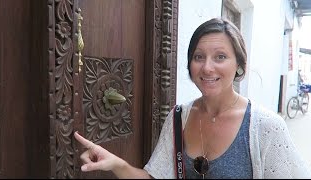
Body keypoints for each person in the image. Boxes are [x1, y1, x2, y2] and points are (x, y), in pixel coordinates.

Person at [74, 18, 311, 179]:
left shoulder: (265, 128)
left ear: (239, 64)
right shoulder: (179, 117)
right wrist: (116, 164)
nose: (207, 68)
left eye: (220, 57)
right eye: (199, 56)